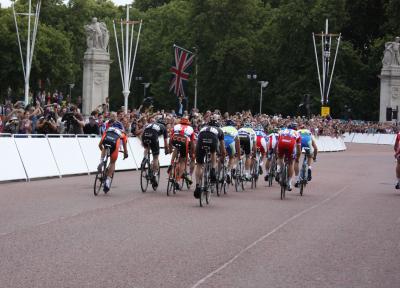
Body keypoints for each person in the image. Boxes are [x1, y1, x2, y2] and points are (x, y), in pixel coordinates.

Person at [194, 114, 226, 199]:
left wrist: (197, 153)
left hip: (201, 138)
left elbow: (197, 143)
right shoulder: (220, 130)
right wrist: (223, 155)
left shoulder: (203, 128)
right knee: (213, 152)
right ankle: (212, 170)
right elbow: (222, 147)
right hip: (212, 139)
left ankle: (197, 185)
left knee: (199, 164)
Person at [98, 121, 128, 192]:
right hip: (114, 143)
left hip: (106, 140)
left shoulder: (108, 129)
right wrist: (125, 153)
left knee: (104, 147)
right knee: (112, 162)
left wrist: (103, 151)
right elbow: (124, 145)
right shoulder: (122, 132)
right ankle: (108, 181)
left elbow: (100, 144)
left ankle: (101, 161)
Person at [141, 117, 169, 187]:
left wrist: (143, 144)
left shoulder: (151, 124)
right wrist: (166, 149)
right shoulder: (163, 128)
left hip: (145, 135)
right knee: (155, 157)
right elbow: (166, 142)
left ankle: (145, 159)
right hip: (153, 136)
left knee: (147, 148)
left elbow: (143, 133)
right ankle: (154, 174)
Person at [168, 116, 195, 189]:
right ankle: (178, 180)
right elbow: (192, 143)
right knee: (183, 160)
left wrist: (170, 149)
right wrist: (192, 153)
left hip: (175, 139)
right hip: (185, 142)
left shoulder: (176, 126)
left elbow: (170, 138)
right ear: (188, 122)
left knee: (176, 148)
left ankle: (172, 163)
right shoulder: (190, 128)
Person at [276, 123, 301, 191]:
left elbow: (277, 143)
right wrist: (297, 158)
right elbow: (298, 150)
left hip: (281, 143)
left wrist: (277, 154)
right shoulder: (297, 133)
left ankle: (280, 169)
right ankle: (289, 183)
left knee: (280, 158)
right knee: (291, 163)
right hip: (290, 145)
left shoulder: (282, 131)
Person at [222, 119, 241, 183]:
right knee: (231, 157)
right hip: (230, 142)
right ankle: (228, 172)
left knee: (220, 157)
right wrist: (238, 155)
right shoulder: (235, 129)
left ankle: (217, 174)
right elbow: (237, 144)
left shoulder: (222, 128)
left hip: (221, 142)